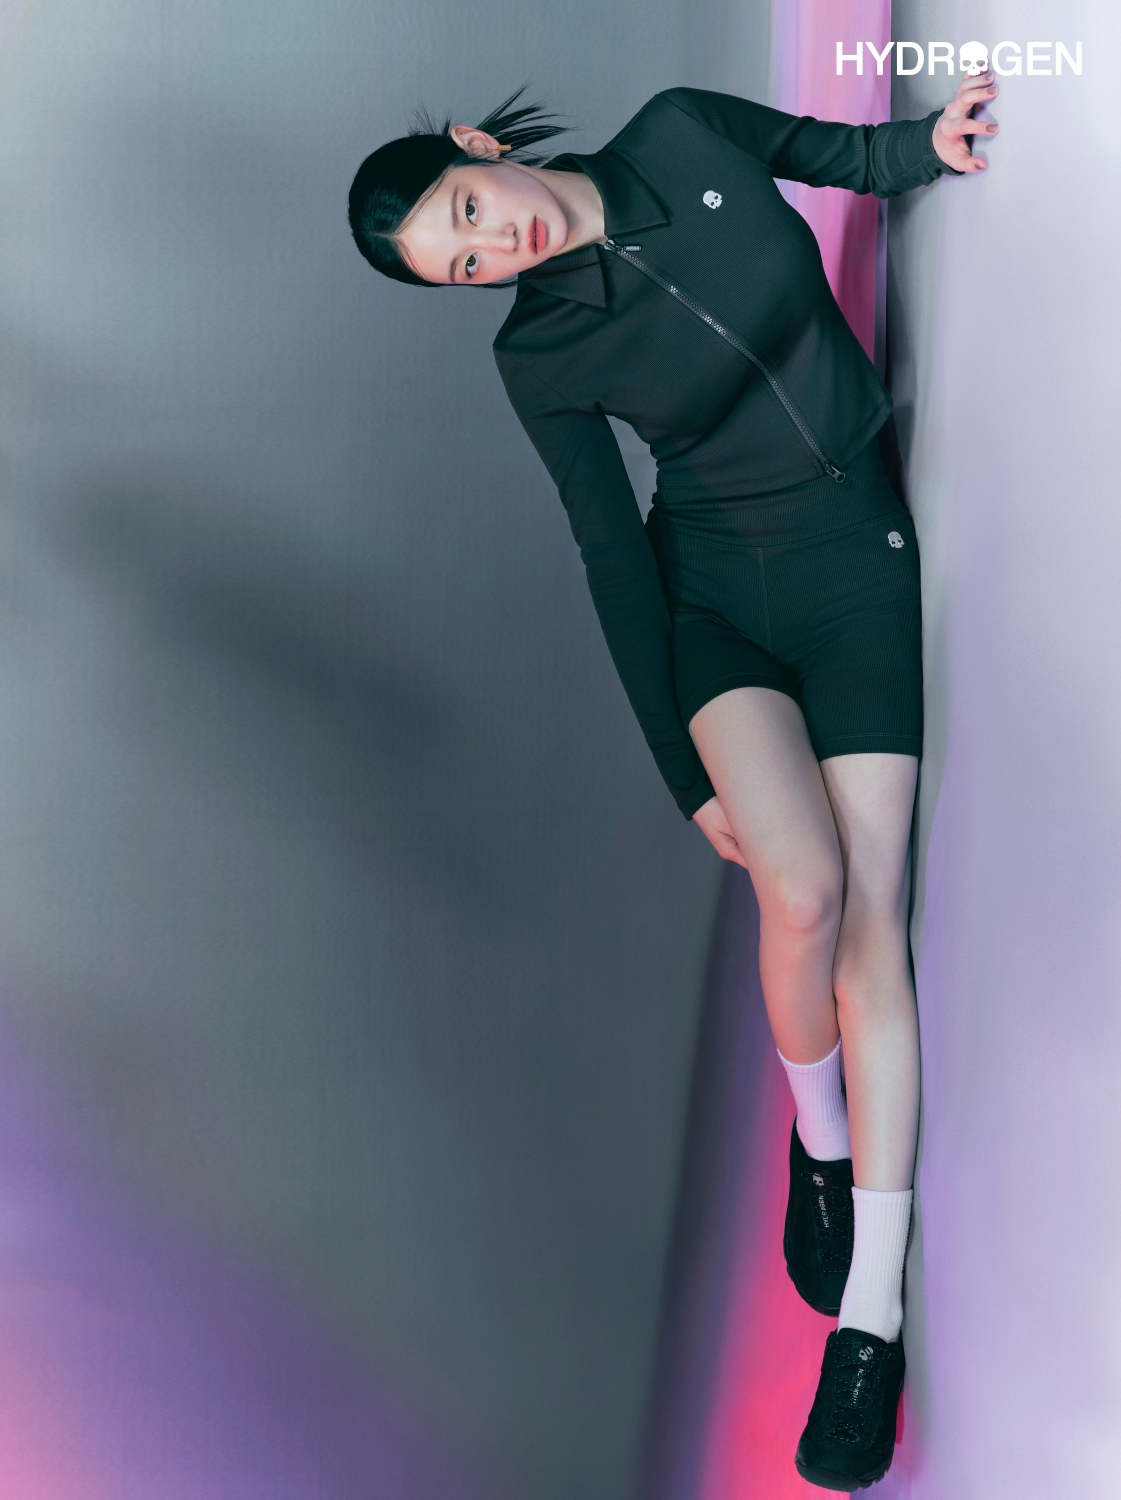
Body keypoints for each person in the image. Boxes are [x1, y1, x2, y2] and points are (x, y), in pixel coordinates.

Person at [347, 72, 998, 1491]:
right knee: (800, 890)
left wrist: (929, 148)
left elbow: (831, 153)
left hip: (855, 566)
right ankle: (817, 1144)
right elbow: (609, 553)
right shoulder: (539, 355)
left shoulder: (683, 132)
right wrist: (677, 770)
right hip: (712, 600)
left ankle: (869, 1322)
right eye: (463, 266)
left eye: (469, 213)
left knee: (871, 925)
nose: (494, 248)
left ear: (476, 150)